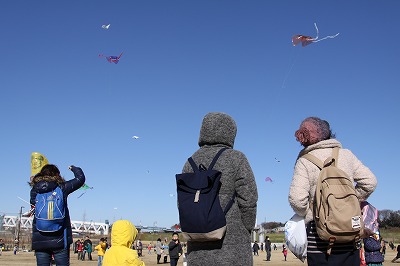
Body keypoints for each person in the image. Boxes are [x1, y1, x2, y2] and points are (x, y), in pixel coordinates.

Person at [289, 117, 378, 266]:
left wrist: (311, 212)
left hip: (319, 236)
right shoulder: (347, 155)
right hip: (350, 233)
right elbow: (370, 182)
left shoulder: (304, 161)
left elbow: (297, 200)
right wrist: (350, 202)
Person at [179, 112, 258, 266]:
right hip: (232, 241)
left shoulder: (189, 162)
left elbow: (183, 202)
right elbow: (249, 199)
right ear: (230, 133)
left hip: (197, 242)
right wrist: (246, 228)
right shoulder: (236, 158)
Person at [30, 164, 86, 266]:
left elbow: (33, 206)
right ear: (57, 174)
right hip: (60, 238)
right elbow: (80, 178)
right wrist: (73, 168)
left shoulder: (35, 189)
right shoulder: (62, 187)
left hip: (40, 239)